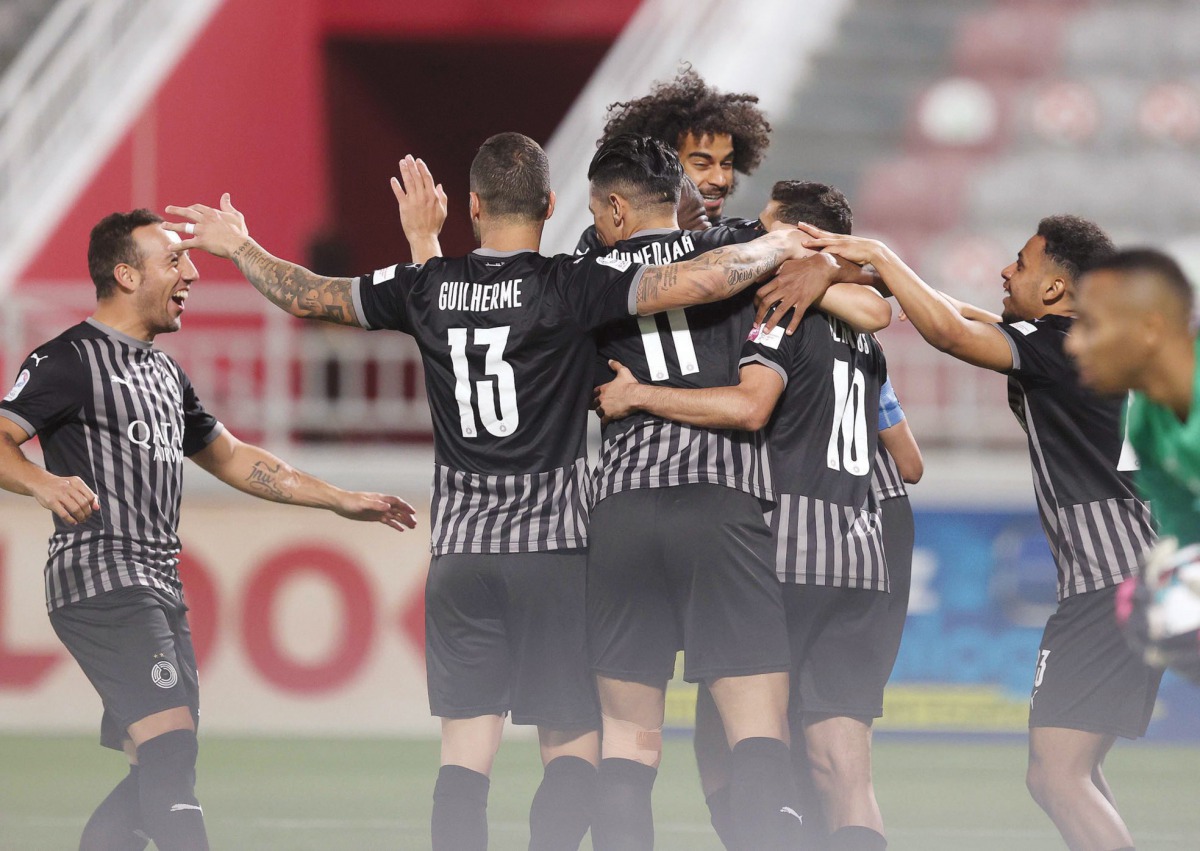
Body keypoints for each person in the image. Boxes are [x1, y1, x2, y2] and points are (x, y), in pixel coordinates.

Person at [164, 132, 818, 851]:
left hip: (460, 559)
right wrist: (776, 245)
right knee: (575, 755)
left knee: (463, 763)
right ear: (550, 204)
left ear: (471, 205)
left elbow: (312, 297)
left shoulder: (426, 286)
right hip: (556, 554)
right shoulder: (569, 285)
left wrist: (243, 247)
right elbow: (690, 281)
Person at [0, 210, 418, 851]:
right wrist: (43, 482)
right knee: (169, 754)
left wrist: (338, 499)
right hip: (102, 576)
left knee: (159, 771)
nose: (192, 273)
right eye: (174, 262)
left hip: (157, 583)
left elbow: (231, 456)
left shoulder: (165, 374)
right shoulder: (69, 358)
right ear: (124, 273)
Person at [800, 215, 1160, 851]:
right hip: (1137, 577)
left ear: (1055, 289)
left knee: (1056, 775)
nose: (1004, 270)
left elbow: (949, 333)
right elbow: (961, 315)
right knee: (1070, 770)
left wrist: (884, 255)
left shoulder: (1059, 348)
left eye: (1020, 263)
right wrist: (895, 288)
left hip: (1111, 585)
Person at [594, 182, 908, 851]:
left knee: (732, 736)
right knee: (845, 769)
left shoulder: (777, 311)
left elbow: (749, 406)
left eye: (767, 233)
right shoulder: (863, 333)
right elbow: (906, 459)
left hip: (790, 545)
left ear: (797, 239)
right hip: (861, 554)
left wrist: (640, 395)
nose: (755, 243)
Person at [1066, 248, 1200, 682]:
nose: (1072, 343)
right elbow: (1187, 541)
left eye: (1089, 324)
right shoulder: (1143, 420)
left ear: (1149, 329)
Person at [575, 65, 772, 253]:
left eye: (726, 164)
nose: (720, 180)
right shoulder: (601, 240)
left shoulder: (748, 239)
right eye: (701, 164)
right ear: (662, 166)